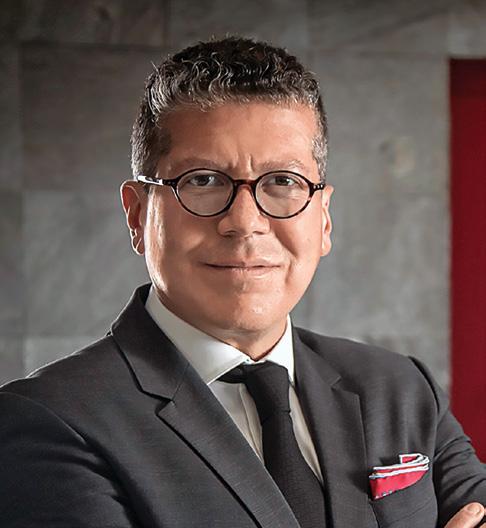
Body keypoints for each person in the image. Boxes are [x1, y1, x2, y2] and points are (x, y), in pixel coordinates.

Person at [0, 36, 484, 528]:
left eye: (283, 182)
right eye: (203, 180)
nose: (245, 223)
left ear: (324, 219)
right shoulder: (47, 421)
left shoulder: (400, 388)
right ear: (137, 214)